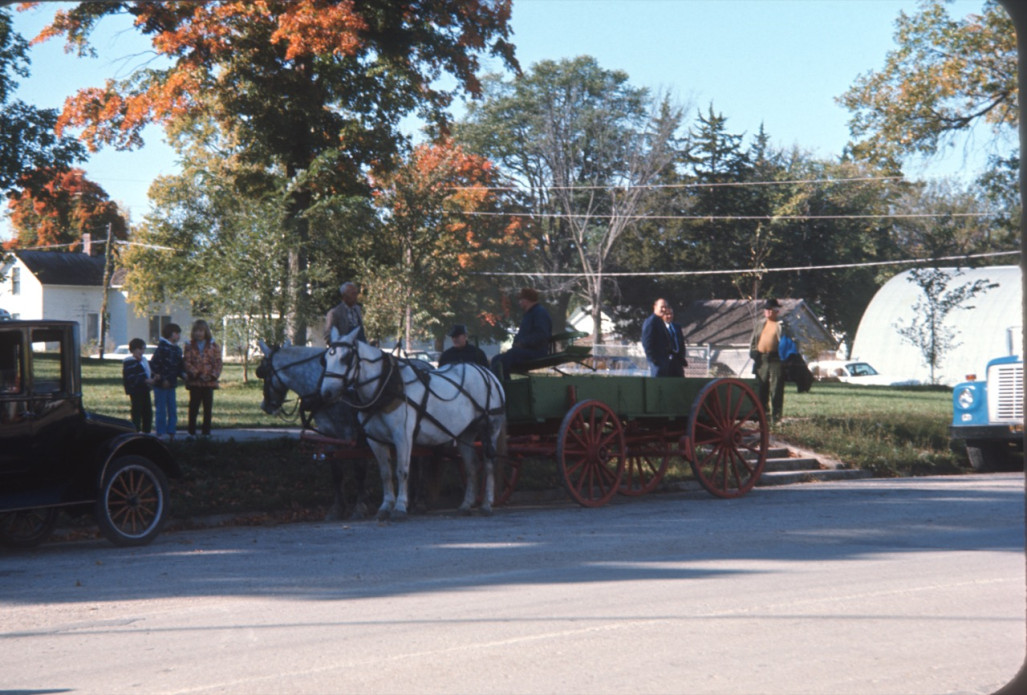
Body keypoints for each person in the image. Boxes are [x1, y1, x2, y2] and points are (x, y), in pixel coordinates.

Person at [749, 297, 795, 424]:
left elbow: (790, 342)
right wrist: (754, 353)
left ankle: (776, 416)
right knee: (761, 387)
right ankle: (763, 415)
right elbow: (754, 340)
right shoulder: (760, 323)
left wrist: (786, 358)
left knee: (776, 388)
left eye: (770, 310)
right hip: (761, 359)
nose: (768, 312)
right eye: (766, 310)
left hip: (776, 359)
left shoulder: (782, 325)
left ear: (776, 311)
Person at [490, 287, 552, 379]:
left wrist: (523, 342)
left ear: (527, 300)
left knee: (507, 359)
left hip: (537, 352)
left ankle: (506, 387)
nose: (519, 302)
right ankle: (499, 385)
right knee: (496, 359)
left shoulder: (539, 312)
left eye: (521, 300)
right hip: (525, 351)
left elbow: (541, 335)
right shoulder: (529, 314)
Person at [183, 319, 223, 437]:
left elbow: (218, 363)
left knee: (207, 408)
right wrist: (197, 374)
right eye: (196, 331)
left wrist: (212, 376)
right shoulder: (189, 346)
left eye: (201, 331)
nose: (199, 333)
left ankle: (206, 432)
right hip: (195, 382)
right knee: (193, 407)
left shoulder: (214, 346)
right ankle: (191, 431)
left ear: (206, 332)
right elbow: (187, 362)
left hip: (209, 383)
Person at [150, 323, 184, 440]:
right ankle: (160, 431)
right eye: (176, 333)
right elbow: (154, 366)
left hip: (172, 384)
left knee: (172, 408)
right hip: (161, 385)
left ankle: (171, 431)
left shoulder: (178, 350)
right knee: (161, 409)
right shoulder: (162, 349)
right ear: (170, 334)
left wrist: (185, 376)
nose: (179, 336)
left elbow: (179, 367)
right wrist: (162, 379)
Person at [641, 298, 685, 377]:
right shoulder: (651, 322)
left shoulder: (659, 322)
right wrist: (655, 361)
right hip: (658, 366)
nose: (664, 309)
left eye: (665, 307)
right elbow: (647, 343)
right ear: (655, 307)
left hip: (666, 365)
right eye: (662, 307)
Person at [122, 337, 155, 433]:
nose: (142, 351)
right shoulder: (129, 362)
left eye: (144, 349)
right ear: (134, 349)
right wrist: (146, 380)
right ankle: (136, 429)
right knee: (137, 410)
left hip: (145, 389)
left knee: (147, 410)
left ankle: (146, 430)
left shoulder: (143, 361)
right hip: (135, 390)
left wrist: (153, 377)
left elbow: (148, 371)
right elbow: (133, 377)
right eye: (141, 349)